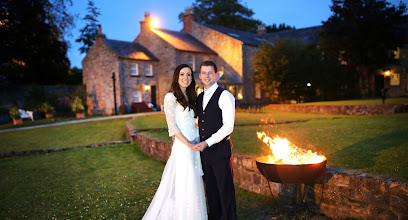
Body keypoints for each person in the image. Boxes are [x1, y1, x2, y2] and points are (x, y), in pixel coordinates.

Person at [142, 64, 207, 220]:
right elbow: (172, 126)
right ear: (177, 77)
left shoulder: (193, 97)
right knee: (185, 182)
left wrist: (198, 141)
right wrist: (188, 144)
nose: (186, 78)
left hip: (195, 144)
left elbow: (195, 122)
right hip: (184, 147)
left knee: (195, 183)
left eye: (189, 75)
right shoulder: (170, 97)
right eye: (182, 74)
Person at [194, 61, 237, 220]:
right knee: (211, 189)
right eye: (203, 72)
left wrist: (207, 142)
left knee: (224, 189)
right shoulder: (199, 97)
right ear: (199, 76)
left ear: (216, 75)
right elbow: (199, 121)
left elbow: (228, 127)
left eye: (210, 72)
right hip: (204, 152)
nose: (206, 75)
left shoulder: (225, 95)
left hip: (220, 150)